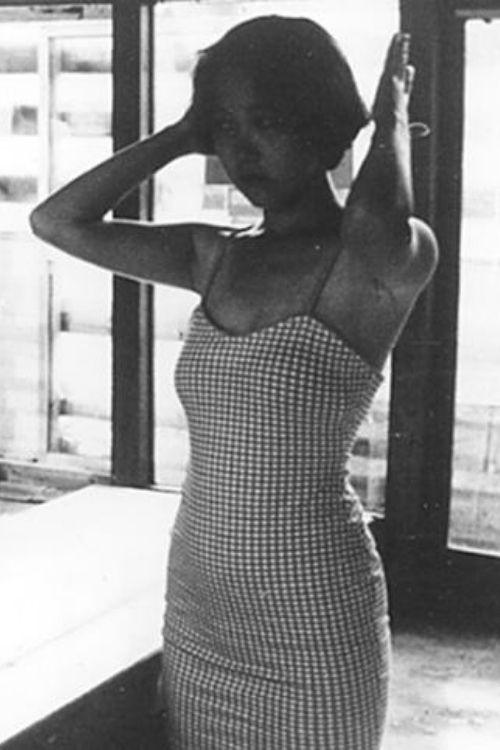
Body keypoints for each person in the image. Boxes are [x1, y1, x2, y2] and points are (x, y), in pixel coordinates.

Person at [30, 15, 438, 749]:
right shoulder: (212, 255)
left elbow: (376, 216)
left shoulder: (380, 259)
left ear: (326, 129)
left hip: (312, 619)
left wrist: (388, 120)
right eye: (227, 125)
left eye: (268, 122)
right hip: (200, 605)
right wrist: (182, 134)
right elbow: (57, 222)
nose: (242, 149)